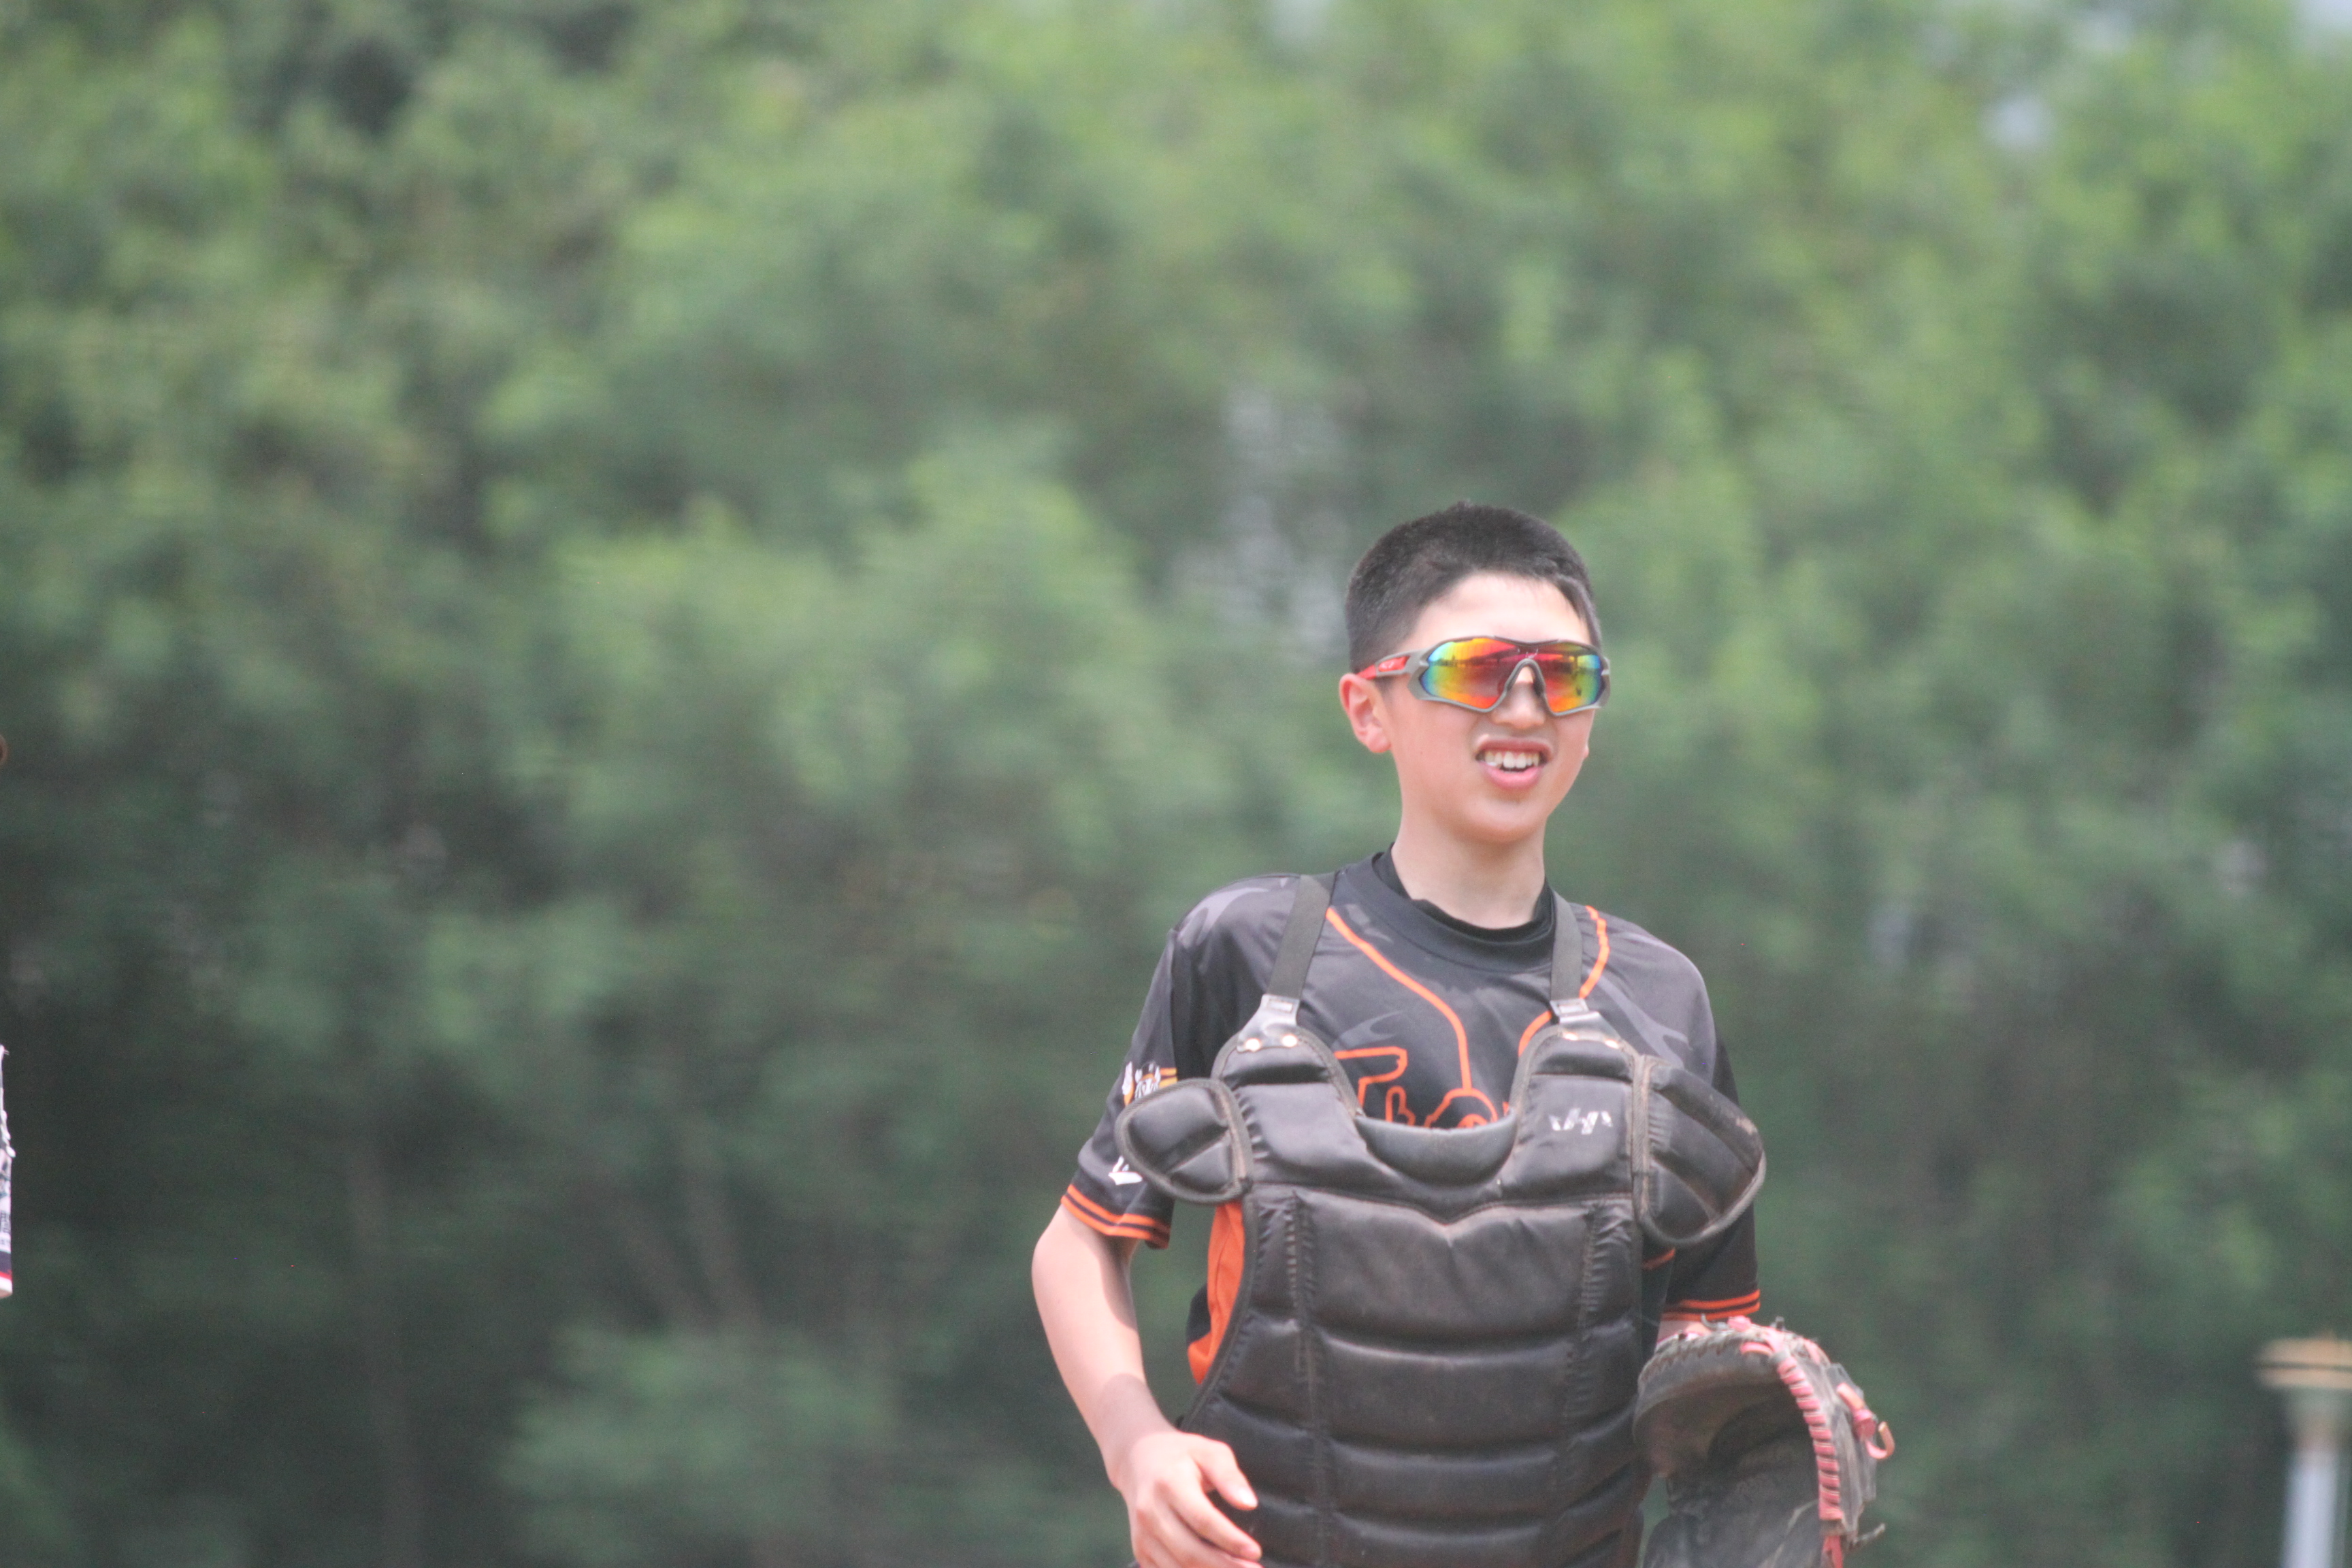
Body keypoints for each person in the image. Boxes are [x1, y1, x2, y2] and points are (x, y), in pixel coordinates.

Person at [1032, 502, 1761, 1568]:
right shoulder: (1252, 953)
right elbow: (1081, 1239)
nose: (1525, 704)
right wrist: (1134, 1445)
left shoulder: (1660, 998)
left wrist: (1753, 1437)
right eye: (1477, 670)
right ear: (1368, 709)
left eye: (1564, 676)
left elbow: (1706, 1330)